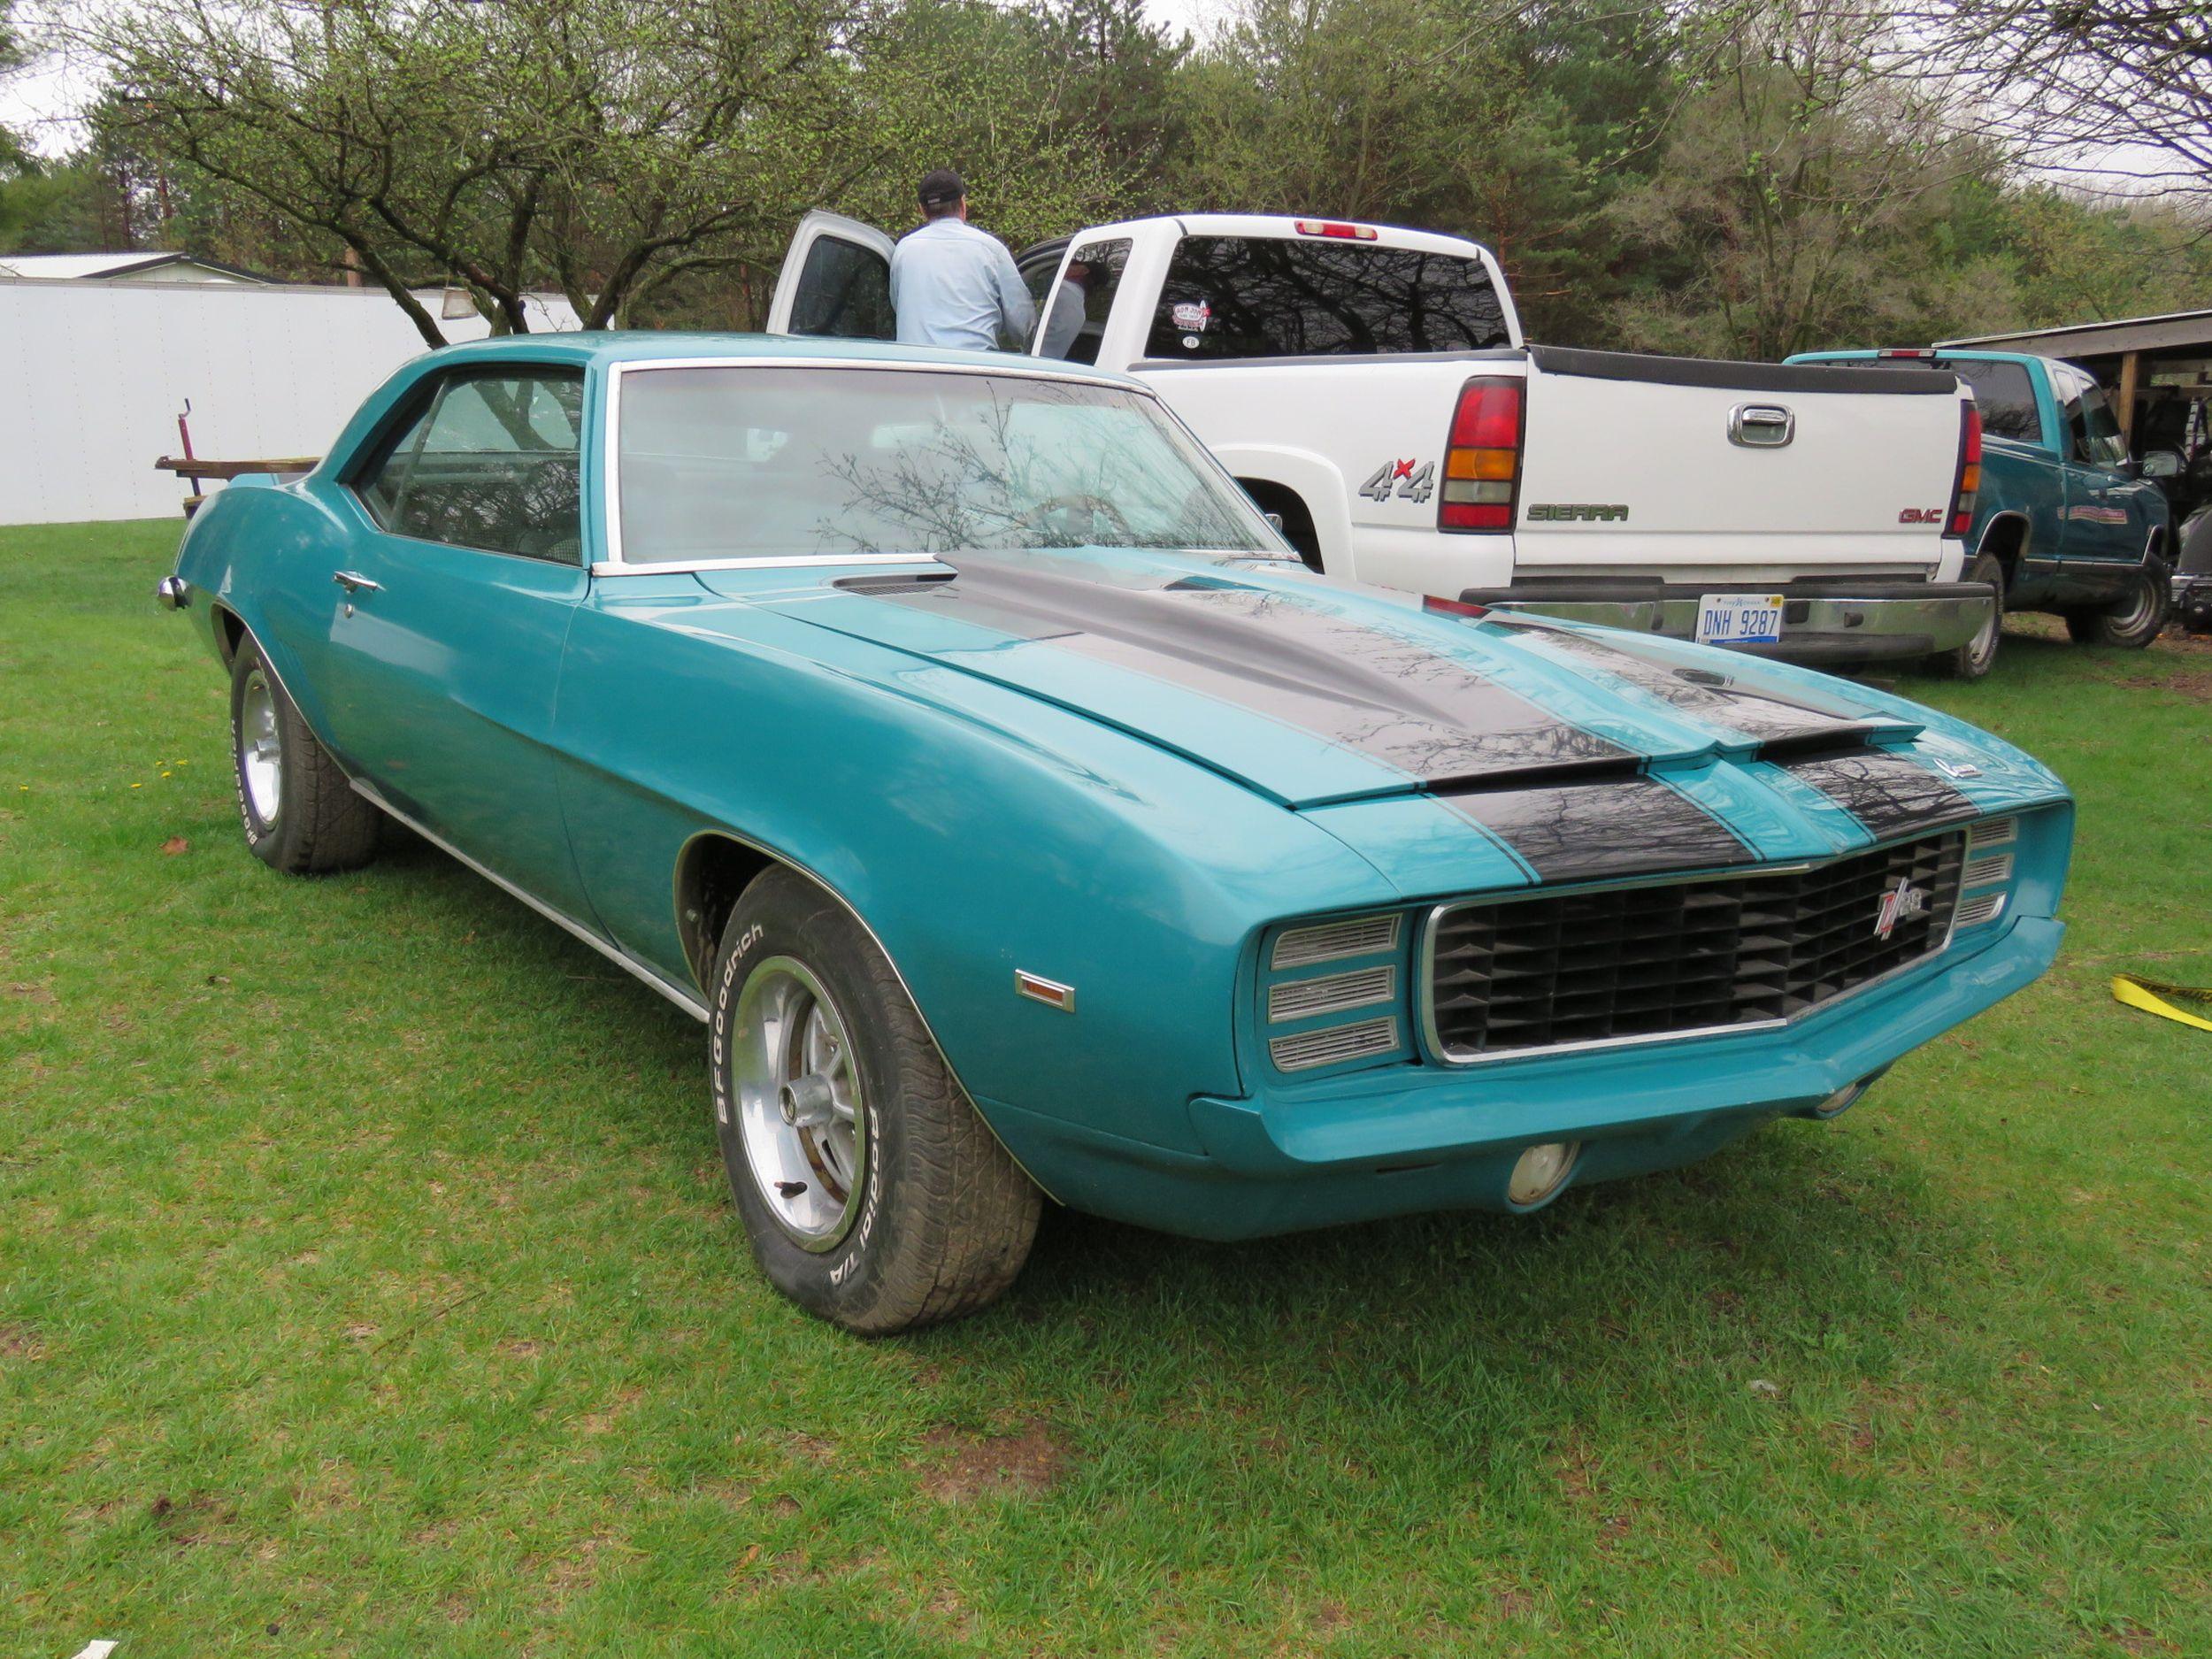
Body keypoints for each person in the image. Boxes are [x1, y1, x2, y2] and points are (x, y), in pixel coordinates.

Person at [887, 168, 1036, 353]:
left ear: (922, 211)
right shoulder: (991, 250)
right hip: (974, 372)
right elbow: (1023, 324)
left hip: (915, 370)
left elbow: (897, 305)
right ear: (963, 204)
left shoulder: (903, 251)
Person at [1038, 259, 1092, 360]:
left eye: (1070, 264)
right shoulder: (1080, 310)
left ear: (1082, 270)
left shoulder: (1063, 289)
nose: (1062, 268)